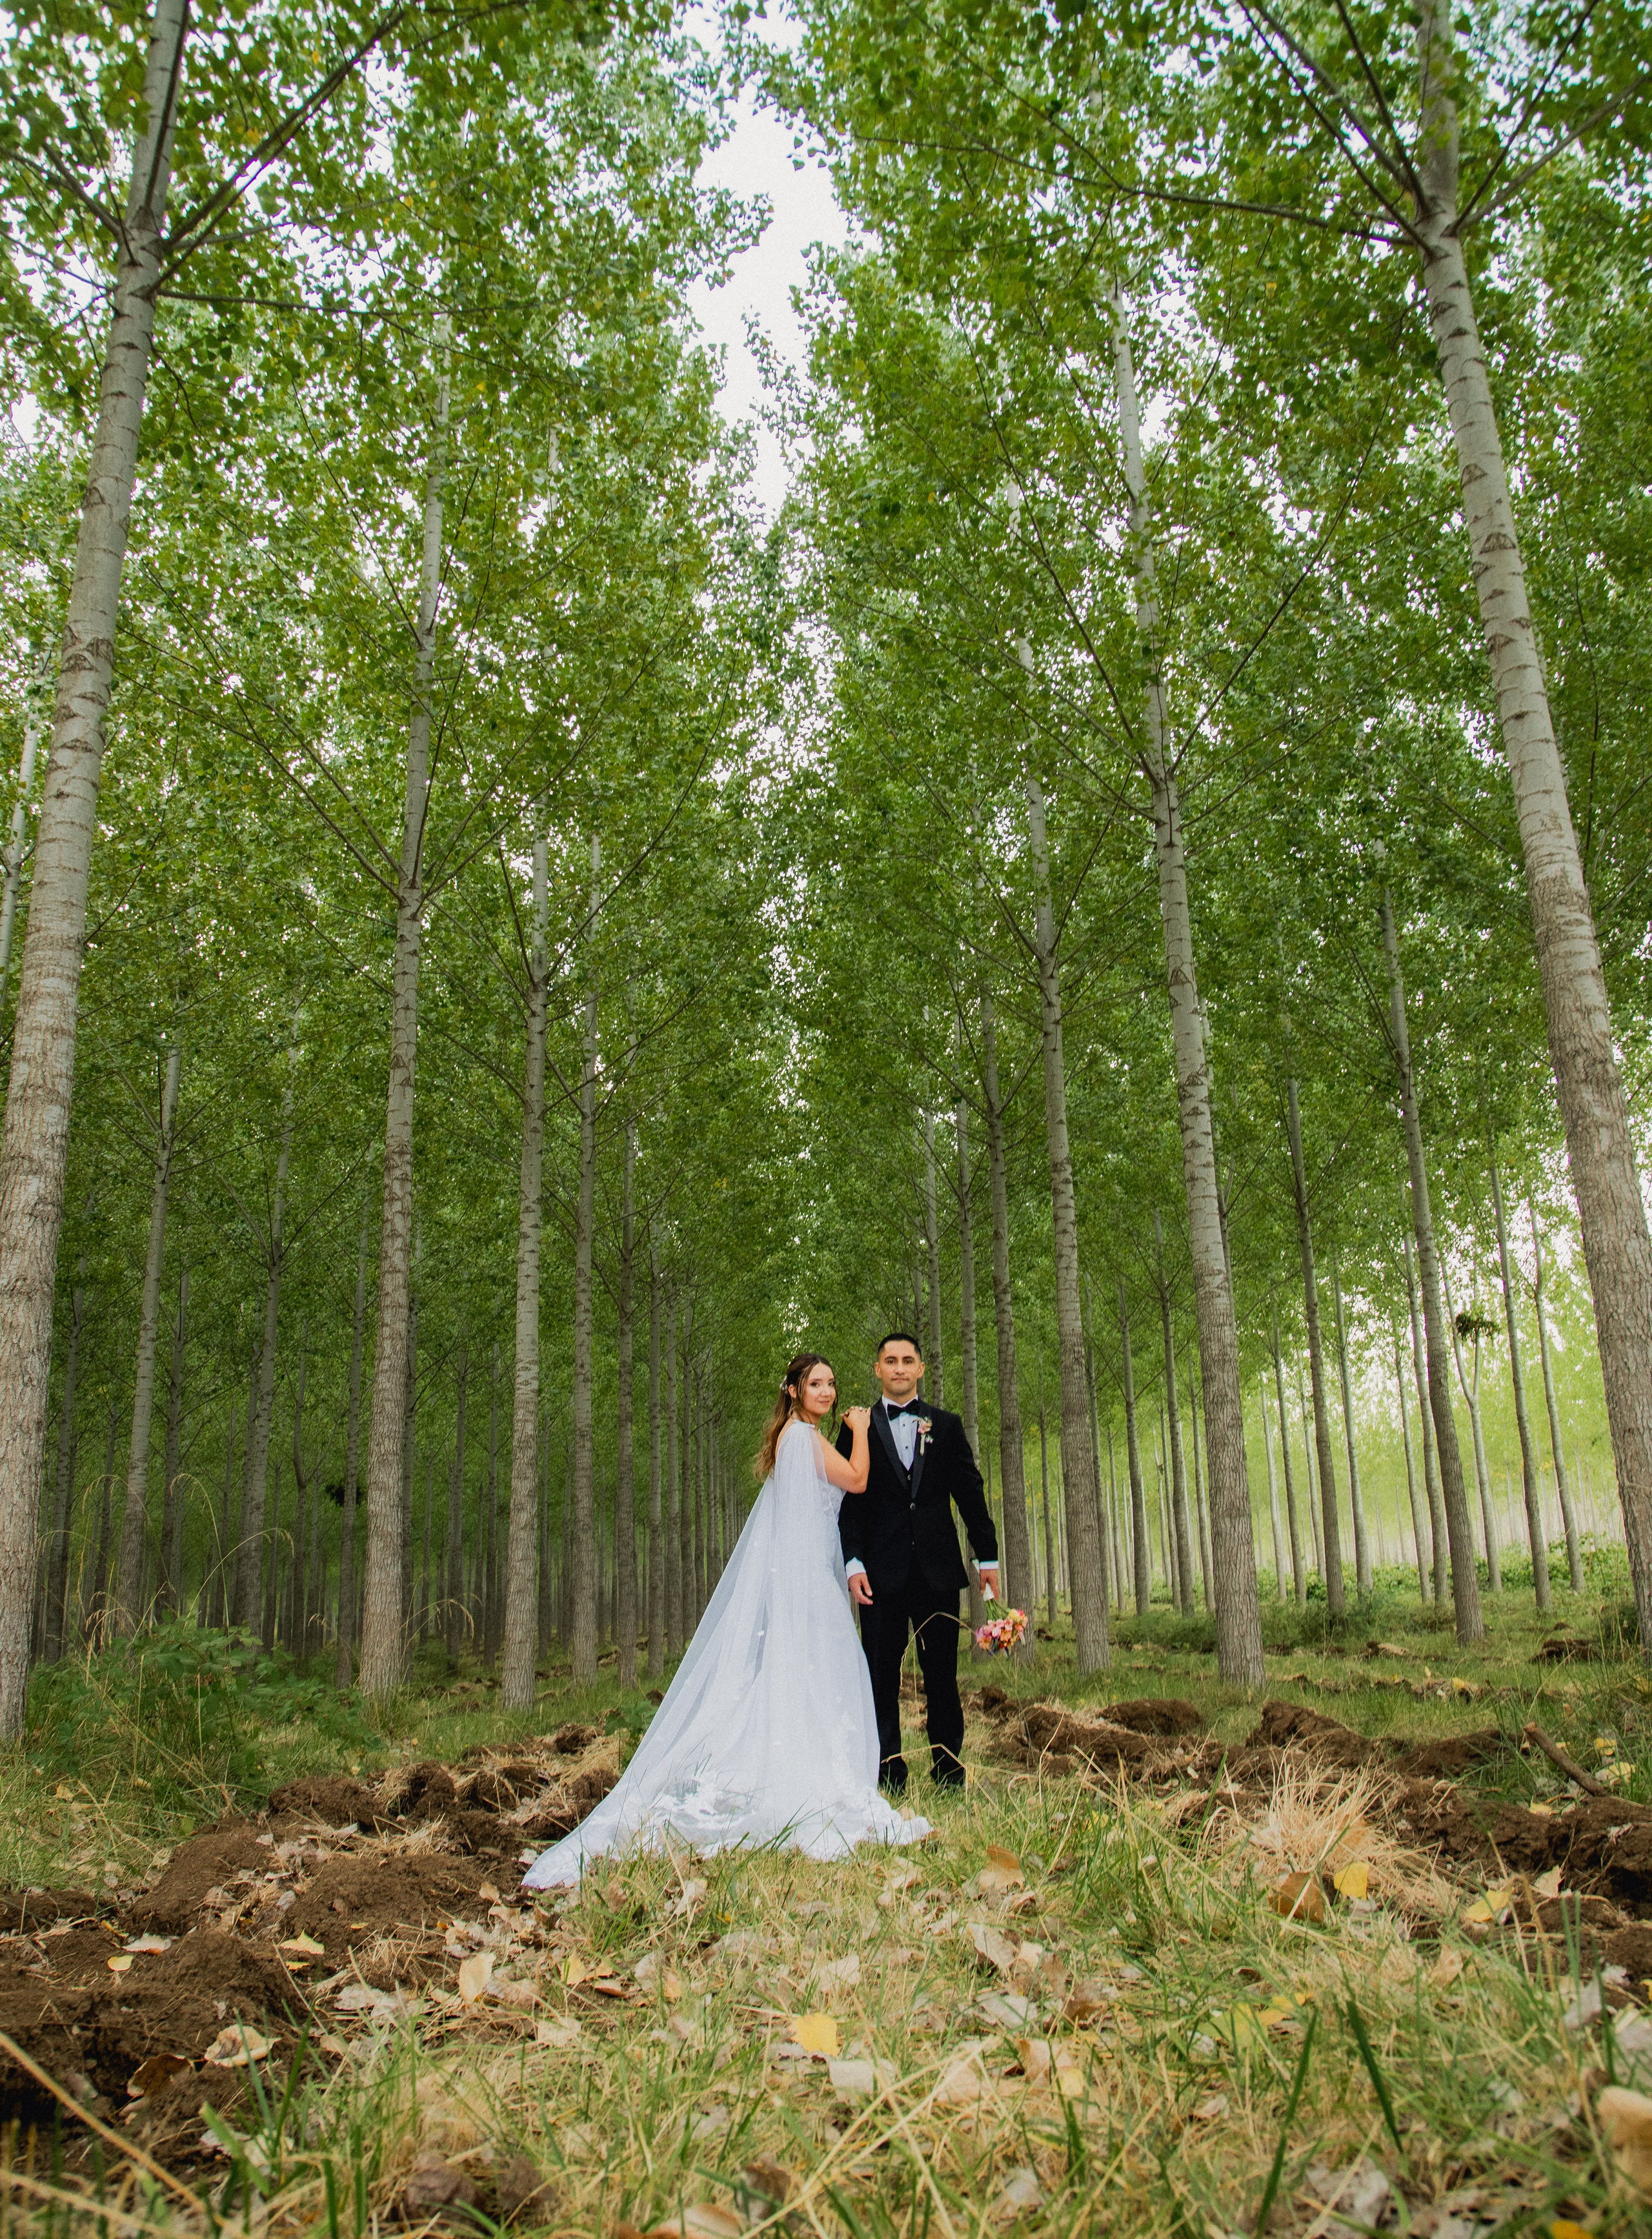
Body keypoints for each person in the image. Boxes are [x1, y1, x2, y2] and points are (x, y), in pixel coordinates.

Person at [520, 1353, 932, 1888]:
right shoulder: (804, 1438)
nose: (828, 1393)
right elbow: (855, 1480)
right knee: (822, 1667)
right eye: (816, 1384)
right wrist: (858, 1429)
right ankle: (806, 1777)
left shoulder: (792, 1437)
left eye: (831, 1384)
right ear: (792, 1390)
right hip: (807, 1577)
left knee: (811, 1671)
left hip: (808, 1570)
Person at [838, 1331, 999, 1792]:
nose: (900, 1368)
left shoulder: (945, 1426)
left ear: (921, 1368)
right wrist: (853, 1562)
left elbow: (970, 1492)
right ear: (878, 1370)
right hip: (878, 1576)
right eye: (890, 1360)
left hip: (938, 1572)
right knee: (880, 1676)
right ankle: (888, 1773)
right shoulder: (857, 1426)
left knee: (942, 1677)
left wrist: (986, 1555)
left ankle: (948, 1770)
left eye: (908, 1360)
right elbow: (847, 1500)